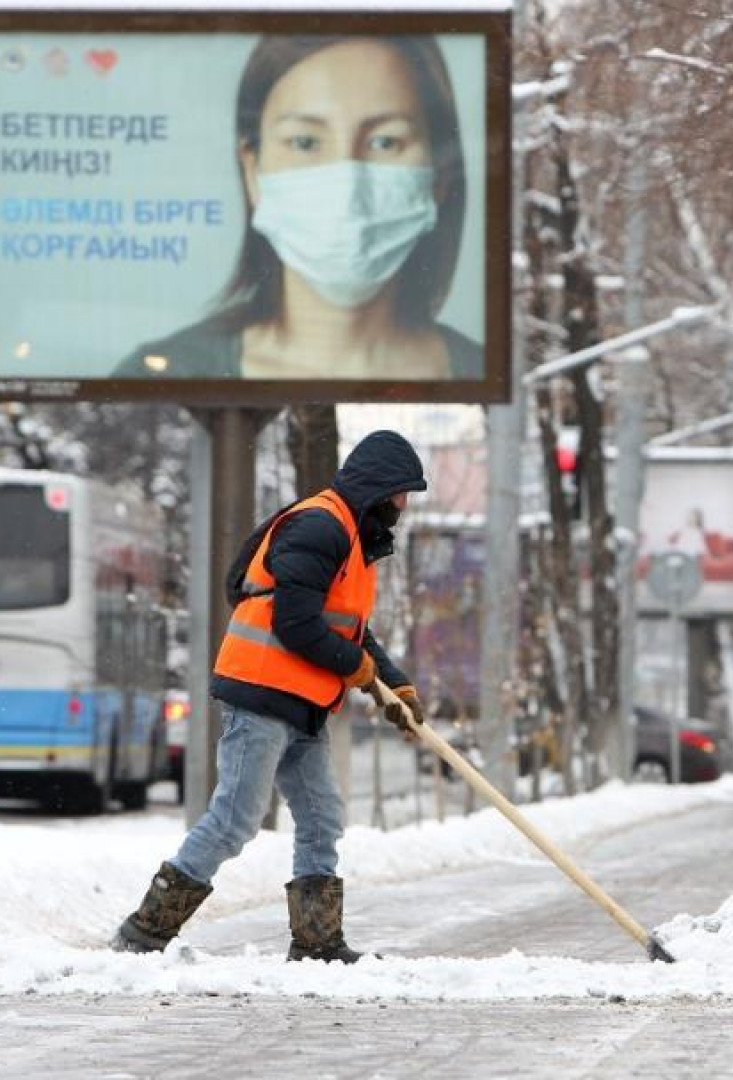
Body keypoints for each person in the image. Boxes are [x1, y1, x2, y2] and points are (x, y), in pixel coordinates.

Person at [111, 430, 429, 962]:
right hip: (261, 692)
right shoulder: (321, 526)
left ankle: (317, 943)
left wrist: (394, 685)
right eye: (400, 493)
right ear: (378, 488)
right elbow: (297, 623)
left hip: (303, 701)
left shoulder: (351, 539)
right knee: (236, 818)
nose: (402, 506)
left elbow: (350, 632)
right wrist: (358, 669)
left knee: (323, 815)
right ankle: (146, 931)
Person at [113, 36, 482, 381]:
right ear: (253, 171)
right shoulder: (164, 372)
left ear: (439, 176)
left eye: (385, 142)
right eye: (305, 142)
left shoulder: (477, 370)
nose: (348, 186)